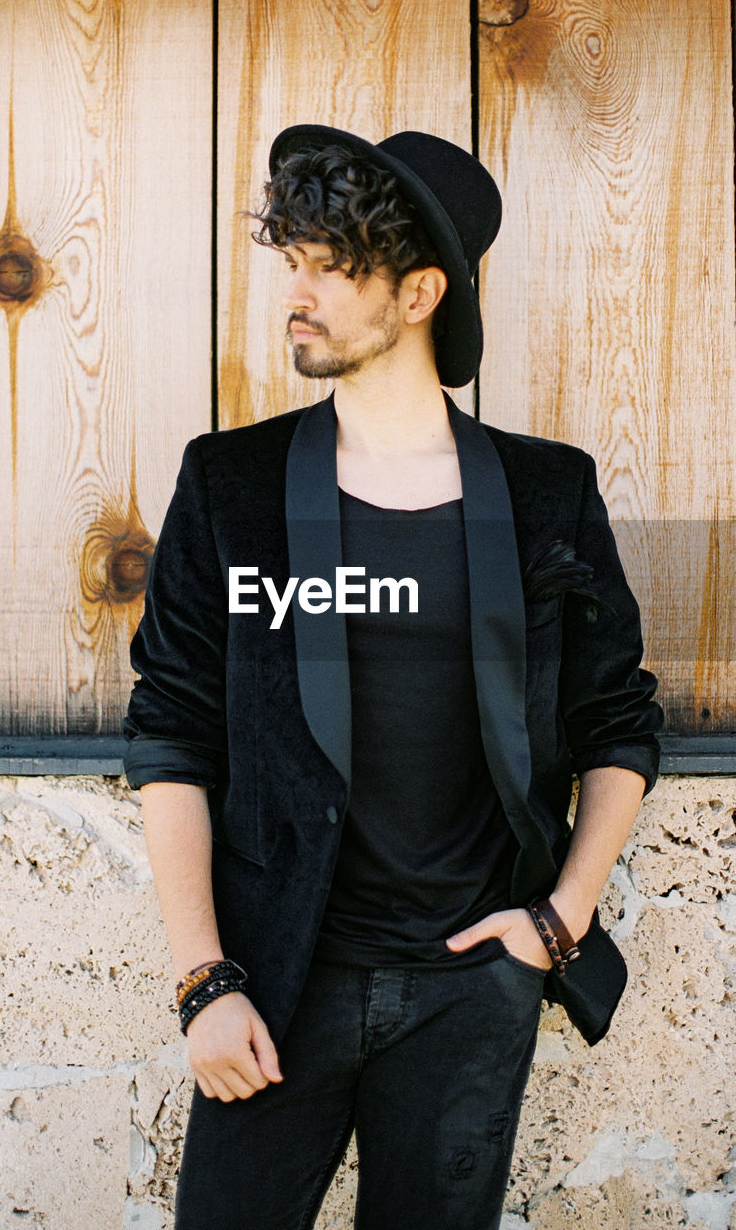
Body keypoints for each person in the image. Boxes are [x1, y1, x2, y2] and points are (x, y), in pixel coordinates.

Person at [123, 125, 663, 1230]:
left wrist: (556, 921)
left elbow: (617, 721)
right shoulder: (230, 486)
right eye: (294, 262)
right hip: (275, 982)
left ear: (419, 291)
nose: (298, 292)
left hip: (470, 989)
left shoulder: (546, 493)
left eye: (335, 266)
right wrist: (203, 979)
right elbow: (172, 731)